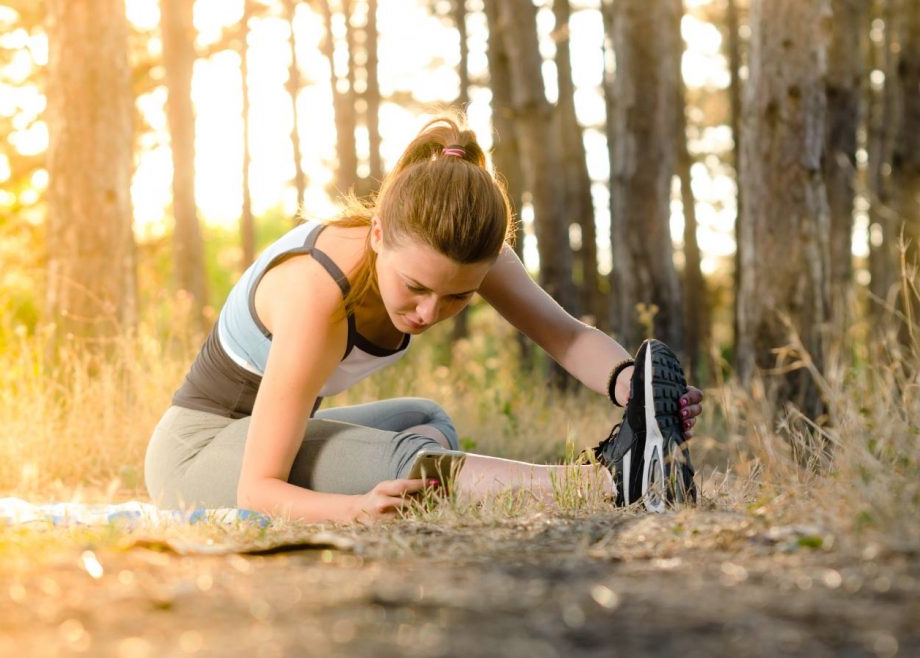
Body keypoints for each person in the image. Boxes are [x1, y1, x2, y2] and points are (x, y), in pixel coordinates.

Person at [143, 116, 704, 522]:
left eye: (458, 298)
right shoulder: (317, 293)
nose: (431, 312)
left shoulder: (460, 251)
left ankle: (630, 467)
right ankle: (605, 484)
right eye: (415, 287)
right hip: (196, 457)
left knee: (426, 418)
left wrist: (634, 388)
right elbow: (256, 489)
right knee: (411, 463)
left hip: (264, 438)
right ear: (379, 234)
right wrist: (352, 507)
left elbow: (568, 336)